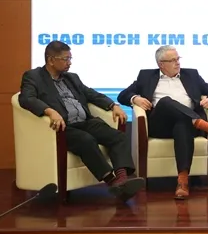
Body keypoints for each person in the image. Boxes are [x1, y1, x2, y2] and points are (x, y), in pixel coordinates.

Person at [19, 41, 144, 201]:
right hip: (63, 127)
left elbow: (90, 94)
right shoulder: (33, 76)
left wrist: (113, 105)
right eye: (65, 59)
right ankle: (112, 182)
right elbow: (26, 99)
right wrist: (49, 111)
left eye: (70, 58)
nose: (69, 63)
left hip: (85, 122)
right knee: (86, 140)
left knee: (117, 136)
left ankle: (122, 180)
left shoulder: (72, 77)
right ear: (50, 60)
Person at [118, 45, 208, 200]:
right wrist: (135, 98)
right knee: (165, 101)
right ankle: (206, 126)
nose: (177, 63)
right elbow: (123, 95)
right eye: (172, 60)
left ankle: (182, 181)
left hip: (186, 125)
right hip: (160, 125)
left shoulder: (191, 74)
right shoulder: (146, 76)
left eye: (178, 59)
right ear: (161, 64)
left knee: (182, 125)